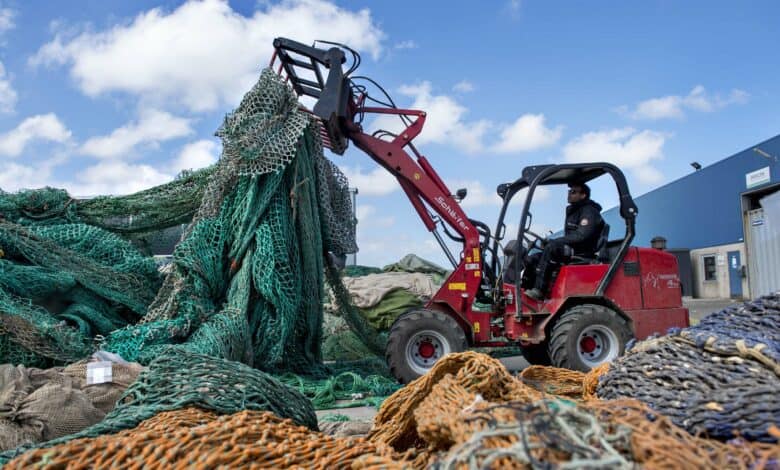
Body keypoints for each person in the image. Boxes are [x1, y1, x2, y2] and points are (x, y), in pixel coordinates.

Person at [525, 182, 603, 300]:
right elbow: (570, 237)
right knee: (534, 258)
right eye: (569, 192)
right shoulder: (575, 210)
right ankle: (525, 289)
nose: (569, 194)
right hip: (573, 249)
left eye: (573, 192)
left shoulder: (589, 211)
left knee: (552, 248)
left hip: (582, 252)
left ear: (583, 195)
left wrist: (556, 241)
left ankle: (539, 290)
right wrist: (552, 241)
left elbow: (582, 235)